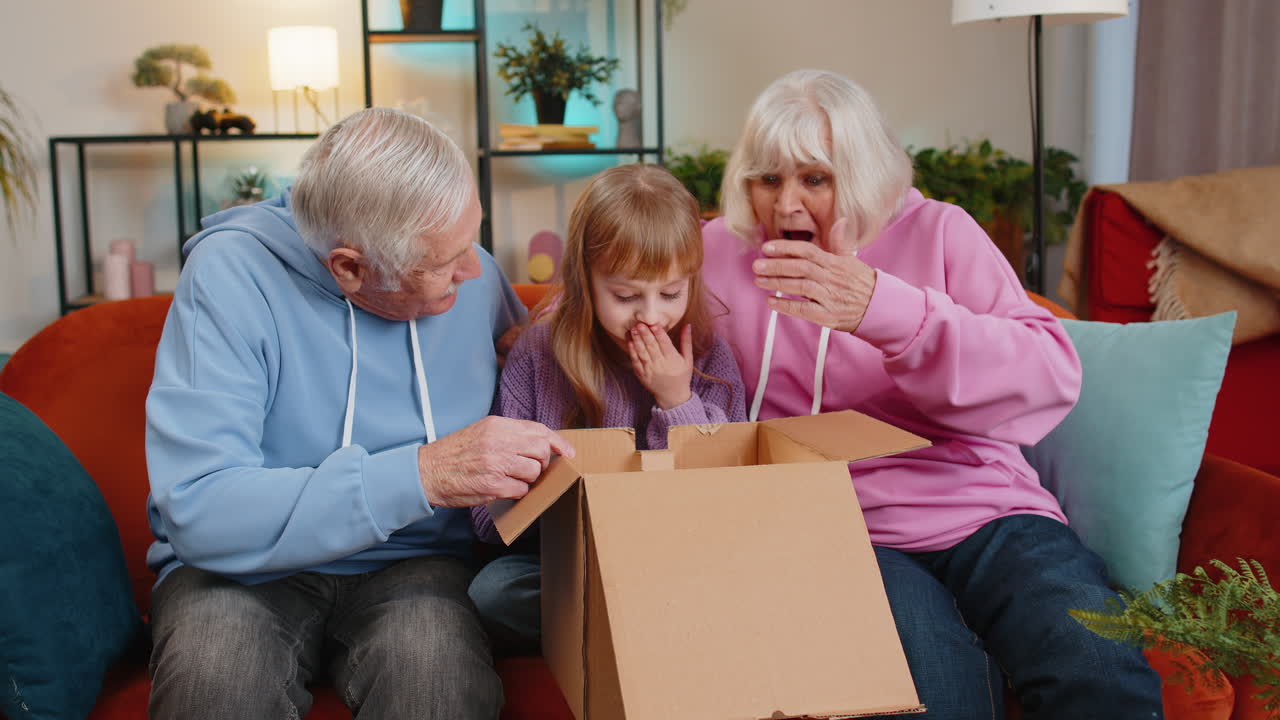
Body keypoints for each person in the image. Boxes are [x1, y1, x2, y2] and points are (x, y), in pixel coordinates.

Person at [700, 69, 1165, 718]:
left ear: (860, 173)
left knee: (1098, 670)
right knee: (937, 695)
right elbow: (606, 303)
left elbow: (1047, 374)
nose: (785, 206)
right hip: (845, 526)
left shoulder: (941, 231)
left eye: (814, 179)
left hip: (986, 506)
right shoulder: (717, 251)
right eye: (768, 178)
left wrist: (883, 309)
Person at [144, 107, 573, 720]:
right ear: (349, 267)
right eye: (444, 264)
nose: (474, 271)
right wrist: (422, 474)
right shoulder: (230, 274)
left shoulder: (471, 274)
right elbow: (201, 508)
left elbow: (532, 372)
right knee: (217, 681)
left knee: (435, 686)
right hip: (236, 571)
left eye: (471, 243)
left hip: (418, 566)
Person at [467, 163, 748, 653]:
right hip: (570, 565)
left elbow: (728, 500)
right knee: (492, 591)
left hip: (676, 558)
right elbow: (487, 523)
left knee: (736, 576)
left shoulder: (709, 357)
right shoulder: (538, 353)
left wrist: (677, 401)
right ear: (585, 280)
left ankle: (637, 624)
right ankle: (648, 627)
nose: (651, 315)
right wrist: (546, 480)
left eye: (670, 293)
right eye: (624, 296)